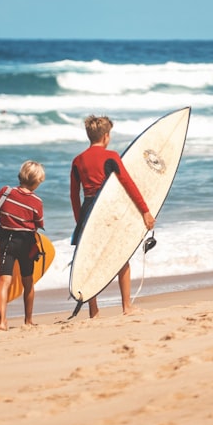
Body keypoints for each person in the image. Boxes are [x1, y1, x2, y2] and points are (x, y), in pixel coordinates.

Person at [71, 115, 156, 317]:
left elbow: (74, 194)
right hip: (108, 210)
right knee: (122, 256)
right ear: (106, 136)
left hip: (88, 211)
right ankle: (126, 306)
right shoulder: (111, 156)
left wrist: (80, 222)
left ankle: (94, 310)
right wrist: (145, 210)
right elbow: (128, 184)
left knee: (92, 260)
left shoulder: (77, 160)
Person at [0, 160, 46, 331]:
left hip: (7, 240)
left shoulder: (5, 192)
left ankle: (2, 322)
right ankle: (28, 320)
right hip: (26, 242)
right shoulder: (37, 201)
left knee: (4, 281)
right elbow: (39, 223)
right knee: (27, 281)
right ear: (36, 182)